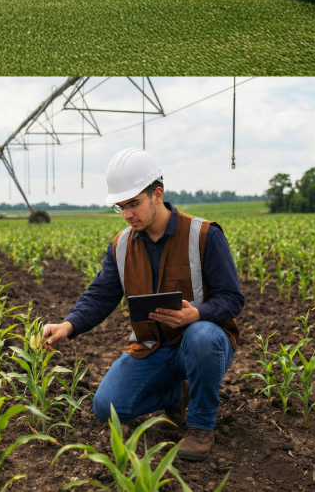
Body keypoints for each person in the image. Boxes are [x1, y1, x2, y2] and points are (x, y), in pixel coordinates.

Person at [41, 148, 243, 462]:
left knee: (201, 335)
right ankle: (178, 393)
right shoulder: (121, 245)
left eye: (133, 204)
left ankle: (201, 425)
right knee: (105, 406)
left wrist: (197, 313)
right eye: (120, 207)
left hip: (203, 343)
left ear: (157, 194)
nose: (127, 215)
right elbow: (100, 295)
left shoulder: (203, 234)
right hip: (153, 345)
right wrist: (68, 324)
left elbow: (232, 299)